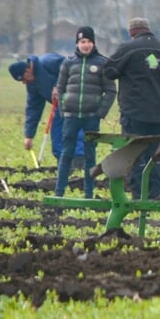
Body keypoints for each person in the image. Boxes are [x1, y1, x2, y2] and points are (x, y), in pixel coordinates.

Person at [104, 16, 160, 199]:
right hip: (159, 114)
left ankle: (139, 195)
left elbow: (109, 71)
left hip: (134, 113)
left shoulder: (127, 49)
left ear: (131, 33)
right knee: (157, 154)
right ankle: (158, 193)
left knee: (134, 153)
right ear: (148, 29)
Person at [54, 26, 117, 198]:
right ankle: (59, 193)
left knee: (90, 156)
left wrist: (100, 112)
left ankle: (88, 194)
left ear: (94, 43)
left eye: (89, 41)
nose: (86, 45)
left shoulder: (102, 63)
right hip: (71, 117)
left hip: (91, 118)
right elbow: (60, 88)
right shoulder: (68, 63)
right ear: (77, 43)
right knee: (66, 154)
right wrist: (63, 108)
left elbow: (111, 90)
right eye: (82, 42)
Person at [9, 52, 83, 165]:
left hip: (76, 97)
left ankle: (79, 160)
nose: (24, 83)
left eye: (23, 79)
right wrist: (29, 135)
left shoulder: (47, 61)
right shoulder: (32, 85)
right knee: (57, 132)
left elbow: (68, 66)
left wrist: (58, 85)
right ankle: (63, 162)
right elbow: (33, 109)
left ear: (27, 70)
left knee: (75, 129)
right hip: (60, 104)